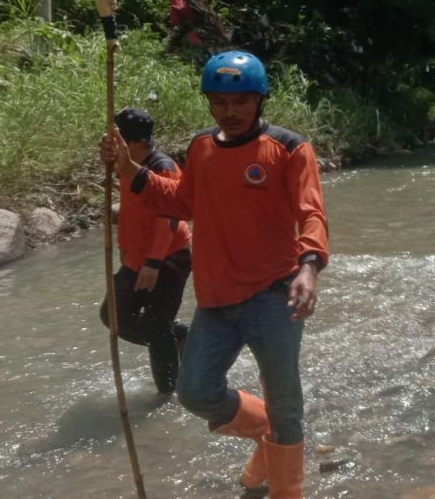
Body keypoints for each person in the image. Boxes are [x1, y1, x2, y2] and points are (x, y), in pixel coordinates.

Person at [102, 51, 328, 499]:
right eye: (220, 102)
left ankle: (286, 489)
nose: (231, 111)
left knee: (287, 402)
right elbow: (181, 202)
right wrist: (129, 170)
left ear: (260, 99)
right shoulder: (202, 146)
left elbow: (312, 214)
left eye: (241, 101)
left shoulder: (289, 148)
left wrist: (309, 267)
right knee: (195, 392)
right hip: (217, 300)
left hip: (274, 294)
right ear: (209, 102)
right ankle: (264, 428)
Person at [98, 107, 192, 395]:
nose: (115, 147)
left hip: (168, 258)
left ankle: (168, 393)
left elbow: (169, 218)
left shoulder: (162, 167)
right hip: (137, 259)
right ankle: (182, 337)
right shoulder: (126, 164)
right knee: (112, 316)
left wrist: (153, 263)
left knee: (154, 323)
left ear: (138, 144)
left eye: (120, 142)